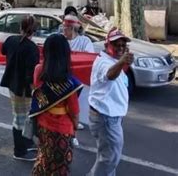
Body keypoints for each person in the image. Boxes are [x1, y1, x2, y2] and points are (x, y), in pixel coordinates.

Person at [31, 34, 82, 176]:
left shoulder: (38, 70)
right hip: (62, 131)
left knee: (44, 160)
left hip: (42, 126)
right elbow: (74, 110)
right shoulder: (68, 81)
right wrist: (76, 125)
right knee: (60, 169)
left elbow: (39, 96)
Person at [87, 28, 134, 176]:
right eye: (116, 45)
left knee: (106, 155)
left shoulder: (112, 60)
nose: (120, 48)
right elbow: (109, 75)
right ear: (108, 45)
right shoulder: (104, 63)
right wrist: (121, 62)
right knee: (110, 158)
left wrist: (122, 62)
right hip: (106, 118)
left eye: (123, 45)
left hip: (111, 116)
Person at [0, 15, 40, 161]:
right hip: (24, 89)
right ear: (34, 31)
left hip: (12, 84)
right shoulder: (32, 48)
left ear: (20, 27)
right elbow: (31, 74)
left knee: (21, 116)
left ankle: (25, 142)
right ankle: (19, 150)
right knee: (21, 118)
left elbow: (3, 51)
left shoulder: (11, 40)